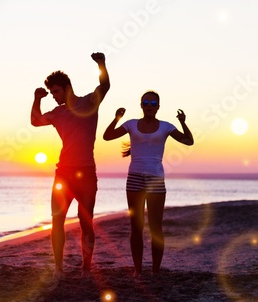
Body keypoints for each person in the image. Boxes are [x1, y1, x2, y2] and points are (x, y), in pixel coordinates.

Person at [30, 53, 110, 278]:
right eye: (51, 92)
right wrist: (37, 98)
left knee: (86, 221)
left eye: (55, 91)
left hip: (86, 173)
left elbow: (105, 85)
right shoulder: (57, 113)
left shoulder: (89, 102)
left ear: (66, 87)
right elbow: (35, 121)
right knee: (57, 220)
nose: (54, 96)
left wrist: (101, 65)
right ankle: (58, 268)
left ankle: (86, 267)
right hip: (63, 173)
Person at [102, 91, 194, 277]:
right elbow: (107, 136)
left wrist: (183, 122)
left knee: (155, 227)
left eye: (153, 102)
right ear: (141, 105)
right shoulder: (131, 124)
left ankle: (155, 270)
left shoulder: (166, 127)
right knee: (136, 226)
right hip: (134, 178)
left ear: (158, 106)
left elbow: (189, 141)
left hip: (156, 180)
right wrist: (116, 118)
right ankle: (137, 270)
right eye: (146, 102)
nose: (150, 105)